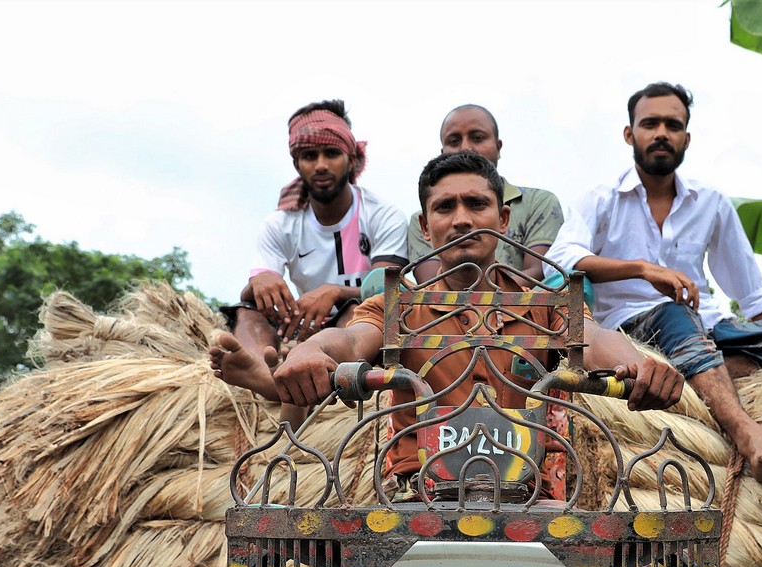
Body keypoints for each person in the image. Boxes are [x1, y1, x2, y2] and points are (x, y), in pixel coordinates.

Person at [270, 150, 684, 498]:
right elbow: (350, 340)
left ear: (503, 219)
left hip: (529, 495)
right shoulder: (397, 305)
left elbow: (591, 340)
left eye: (477, 204)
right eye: (445, 207)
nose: (462, 219)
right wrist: (311, 350)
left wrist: (638, 366)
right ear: (424, 226)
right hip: (419, 496)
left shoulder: (543, 304)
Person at [547, 82, 762, 482]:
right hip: (635, 329)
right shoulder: (601, 198)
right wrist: (643, 269)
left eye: (672, 124)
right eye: (650, 123)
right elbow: (561, 260)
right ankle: (746, 434)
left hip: (708, 328)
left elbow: (751, 293)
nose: (661, 132)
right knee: (676, 313)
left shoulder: (711, 202)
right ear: (630, 134)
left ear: (686, 137)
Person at [210, 99, 408, 403]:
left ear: (352, 159)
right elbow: (254, 291)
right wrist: (258, 282)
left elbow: (387, 287)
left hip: (357, 323)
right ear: (296, 163)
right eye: (309, 156)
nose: (320, 165)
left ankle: (300, 380)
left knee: (362, 311)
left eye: (331, 153)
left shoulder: (383, 215)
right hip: (304, 327)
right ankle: (265, 373)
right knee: (246, 313)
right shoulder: (280, 223)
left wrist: (336, 292)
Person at [405, 104, 564, 285]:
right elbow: (432, 286)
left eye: (477, 138)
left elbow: (540, 270)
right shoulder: (427, 218)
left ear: (498, 146)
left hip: (524, 310)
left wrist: (487, 300)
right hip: (442, 312)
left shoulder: (538, 202)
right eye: (454, 141)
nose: (466, 148)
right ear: (425, 227)